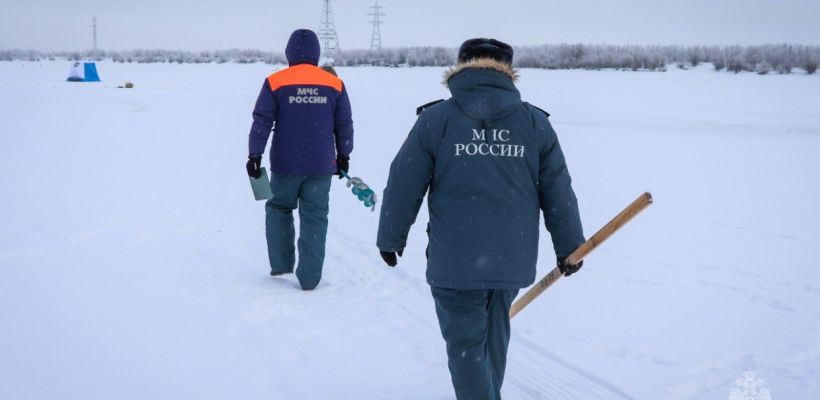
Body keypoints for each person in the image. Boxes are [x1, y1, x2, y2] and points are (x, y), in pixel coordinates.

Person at [376, 38, 585, 399]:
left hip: (455, 259)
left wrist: (391, 238)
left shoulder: (436, 120)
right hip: (510, 257)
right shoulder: (534, 123)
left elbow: (403, 182)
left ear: (461, 66)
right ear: (508, 71)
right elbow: (558, 191)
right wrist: (570, 246)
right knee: (493, 338)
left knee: (467, 345)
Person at [246, 29, 353, 290]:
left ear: (289, 52)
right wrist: (344, 155)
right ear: (316, 53)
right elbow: (344, 124)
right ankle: (310, 278)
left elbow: (262, 121)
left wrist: (254, 154)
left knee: (279, 209)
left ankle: (282, 266)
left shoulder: (275, 82)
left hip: (285, 164)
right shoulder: (334, 84)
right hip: (321, 165)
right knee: (315, 216)